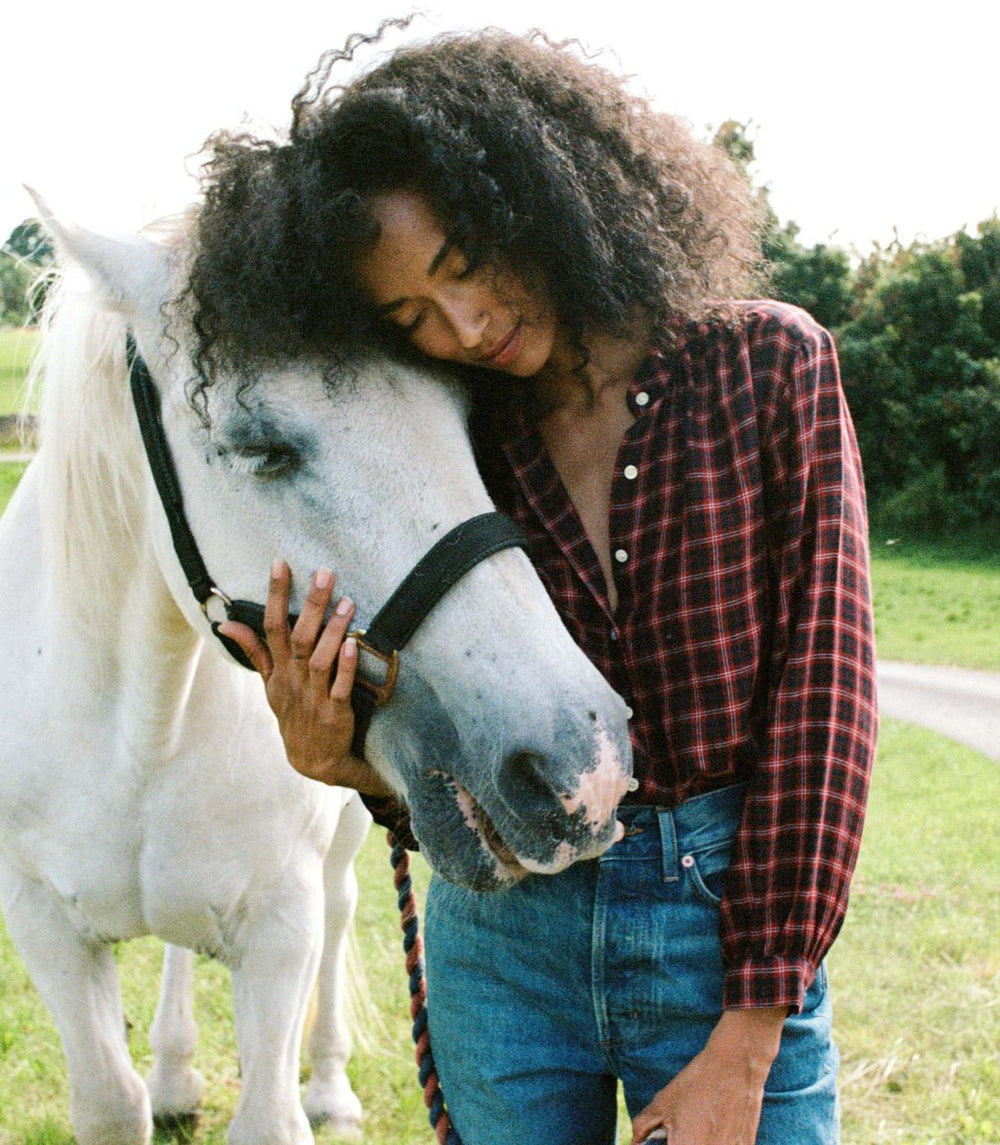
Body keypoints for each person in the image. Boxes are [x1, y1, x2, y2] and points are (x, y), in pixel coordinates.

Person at [191, 26, 878, 1145]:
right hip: (500, 937)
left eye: (464, 267)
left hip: (723, 930)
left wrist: (749, 1037)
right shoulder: (457, 438)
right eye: (410, 317)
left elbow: (826, 709)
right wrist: (346, 761)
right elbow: (446, 740)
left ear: (536, 194)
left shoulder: (769, 364)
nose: (465, 327)